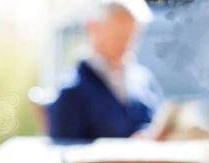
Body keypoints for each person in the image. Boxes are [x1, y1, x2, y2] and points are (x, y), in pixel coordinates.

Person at [47, 0, 164, 140]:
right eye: (119, 34)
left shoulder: (144, 80)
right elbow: (65, 152)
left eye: (133, 35)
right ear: (93, 28)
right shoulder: (72, 91)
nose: (127, 43)